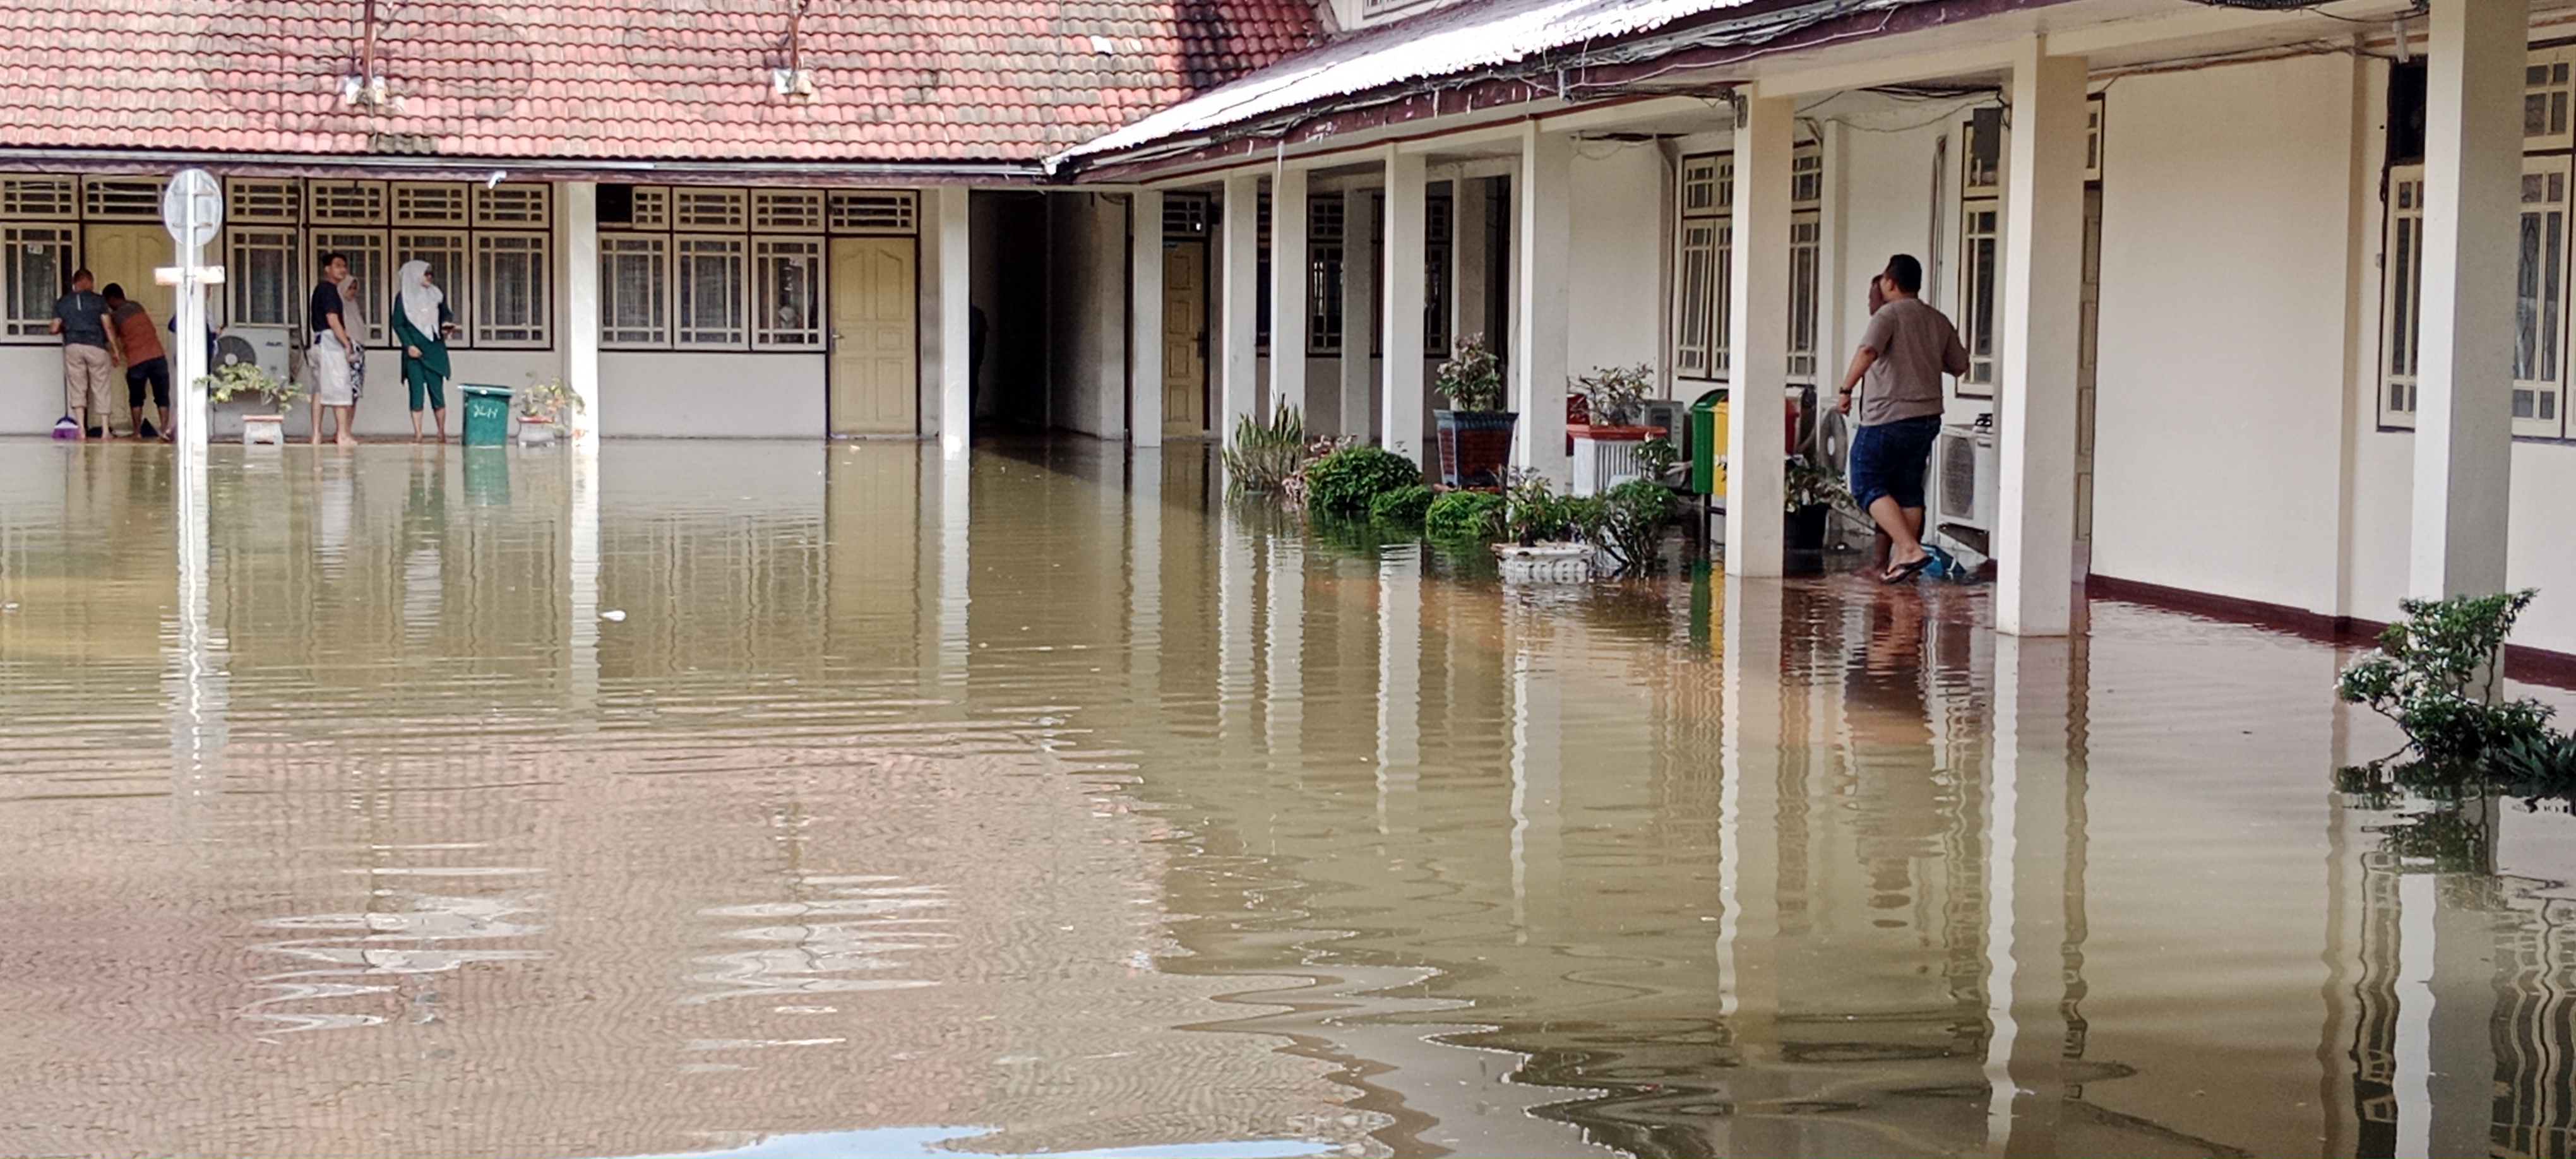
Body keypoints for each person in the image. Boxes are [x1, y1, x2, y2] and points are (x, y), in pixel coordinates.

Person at [1835, 254, 1967, 584]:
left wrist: (1846, 389)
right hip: (1927, 418)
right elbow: (1959, 365)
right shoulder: (1937, 319)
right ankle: (1901, 561)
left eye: (1883, 278)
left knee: (1865, 480)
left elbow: (1868, 351)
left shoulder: (1888, 314)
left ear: (1891, 282)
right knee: (1908, 488)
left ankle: (1908, 549)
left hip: (1889, 417)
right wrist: (1923, 356)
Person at [391, 260, 456, 443]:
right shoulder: (403, 298)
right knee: (416, 392)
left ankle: (441, 432)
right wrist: (409, 345)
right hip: (414, 353)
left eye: (430, 274)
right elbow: (398, 324)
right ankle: (418, 433)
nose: (429, 277)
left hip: (434, 349)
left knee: (437, 393)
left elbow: (446, 313)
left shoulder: (436, 294)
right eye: (425, 274)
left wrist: (446, 324)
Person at [47, 268, 111, 440]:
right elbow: (107, 325)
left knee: (77, 387)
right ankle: (105, 430)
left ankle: (81, 430)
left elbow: (53, 328)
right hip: (96, 346)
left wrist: (65, 326)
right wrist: (114, 348)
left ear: (75, 283)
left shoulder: (63, 302)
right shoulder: (99, 300)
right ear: (89, 281)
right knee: (101, 386)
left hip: (73, 346)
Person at [102, 285, 170, 441]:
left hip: (137, 360)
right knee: (162, 397)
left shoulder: (116, 316)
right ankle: (164, 430)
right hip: (158, 356)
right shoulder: (137, 306)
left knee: (136, 399)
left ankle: (137, 432)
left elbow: (110, 336)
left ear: (111, 299)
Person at [307, 253, 359, 447]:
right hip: (330, 343)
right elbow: (332, 319)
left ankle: (316, 434)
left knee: (319, 390)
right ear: (327, 269)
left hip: (319, 342)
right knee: (340, 389)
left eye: (344, 266)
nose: (342, 270)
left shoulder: (322, 290)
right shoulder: (328, 290)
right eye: (338, 266)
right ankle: (343, 435)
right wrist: (346, 343)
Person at [334, 263, 368, 406]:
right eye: (350, 288)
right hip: (344, 351)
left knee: (355, 393)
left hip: (357, 352)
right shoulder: (337, 307)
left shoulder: (353, 307)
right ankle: (343, 421)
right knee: (343, 391)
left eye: (354, 288)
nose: (353, 292)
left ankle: (349, 421)